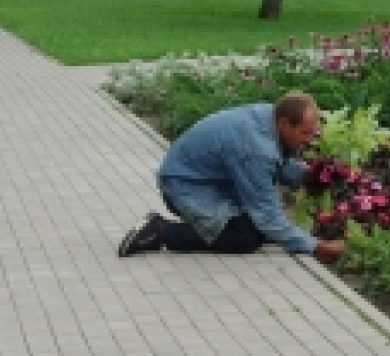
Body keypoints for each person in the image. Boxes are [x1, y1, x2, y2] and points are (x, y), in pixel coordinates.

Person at [118, 92, 348, 263]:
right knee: (245, 239)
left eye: (313, 132)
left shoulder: (270, 116)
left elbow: (279, 164)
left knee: (258, 227)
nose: (309, 139)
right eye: (305, 133)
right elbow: (267, 216)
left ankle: (186, 226)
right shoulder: (256, 149)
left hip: (212, 181)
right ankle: (161, 231)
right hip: (184, 187)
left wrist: (309, 175)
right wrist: (317, 247)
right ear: (285, 123)